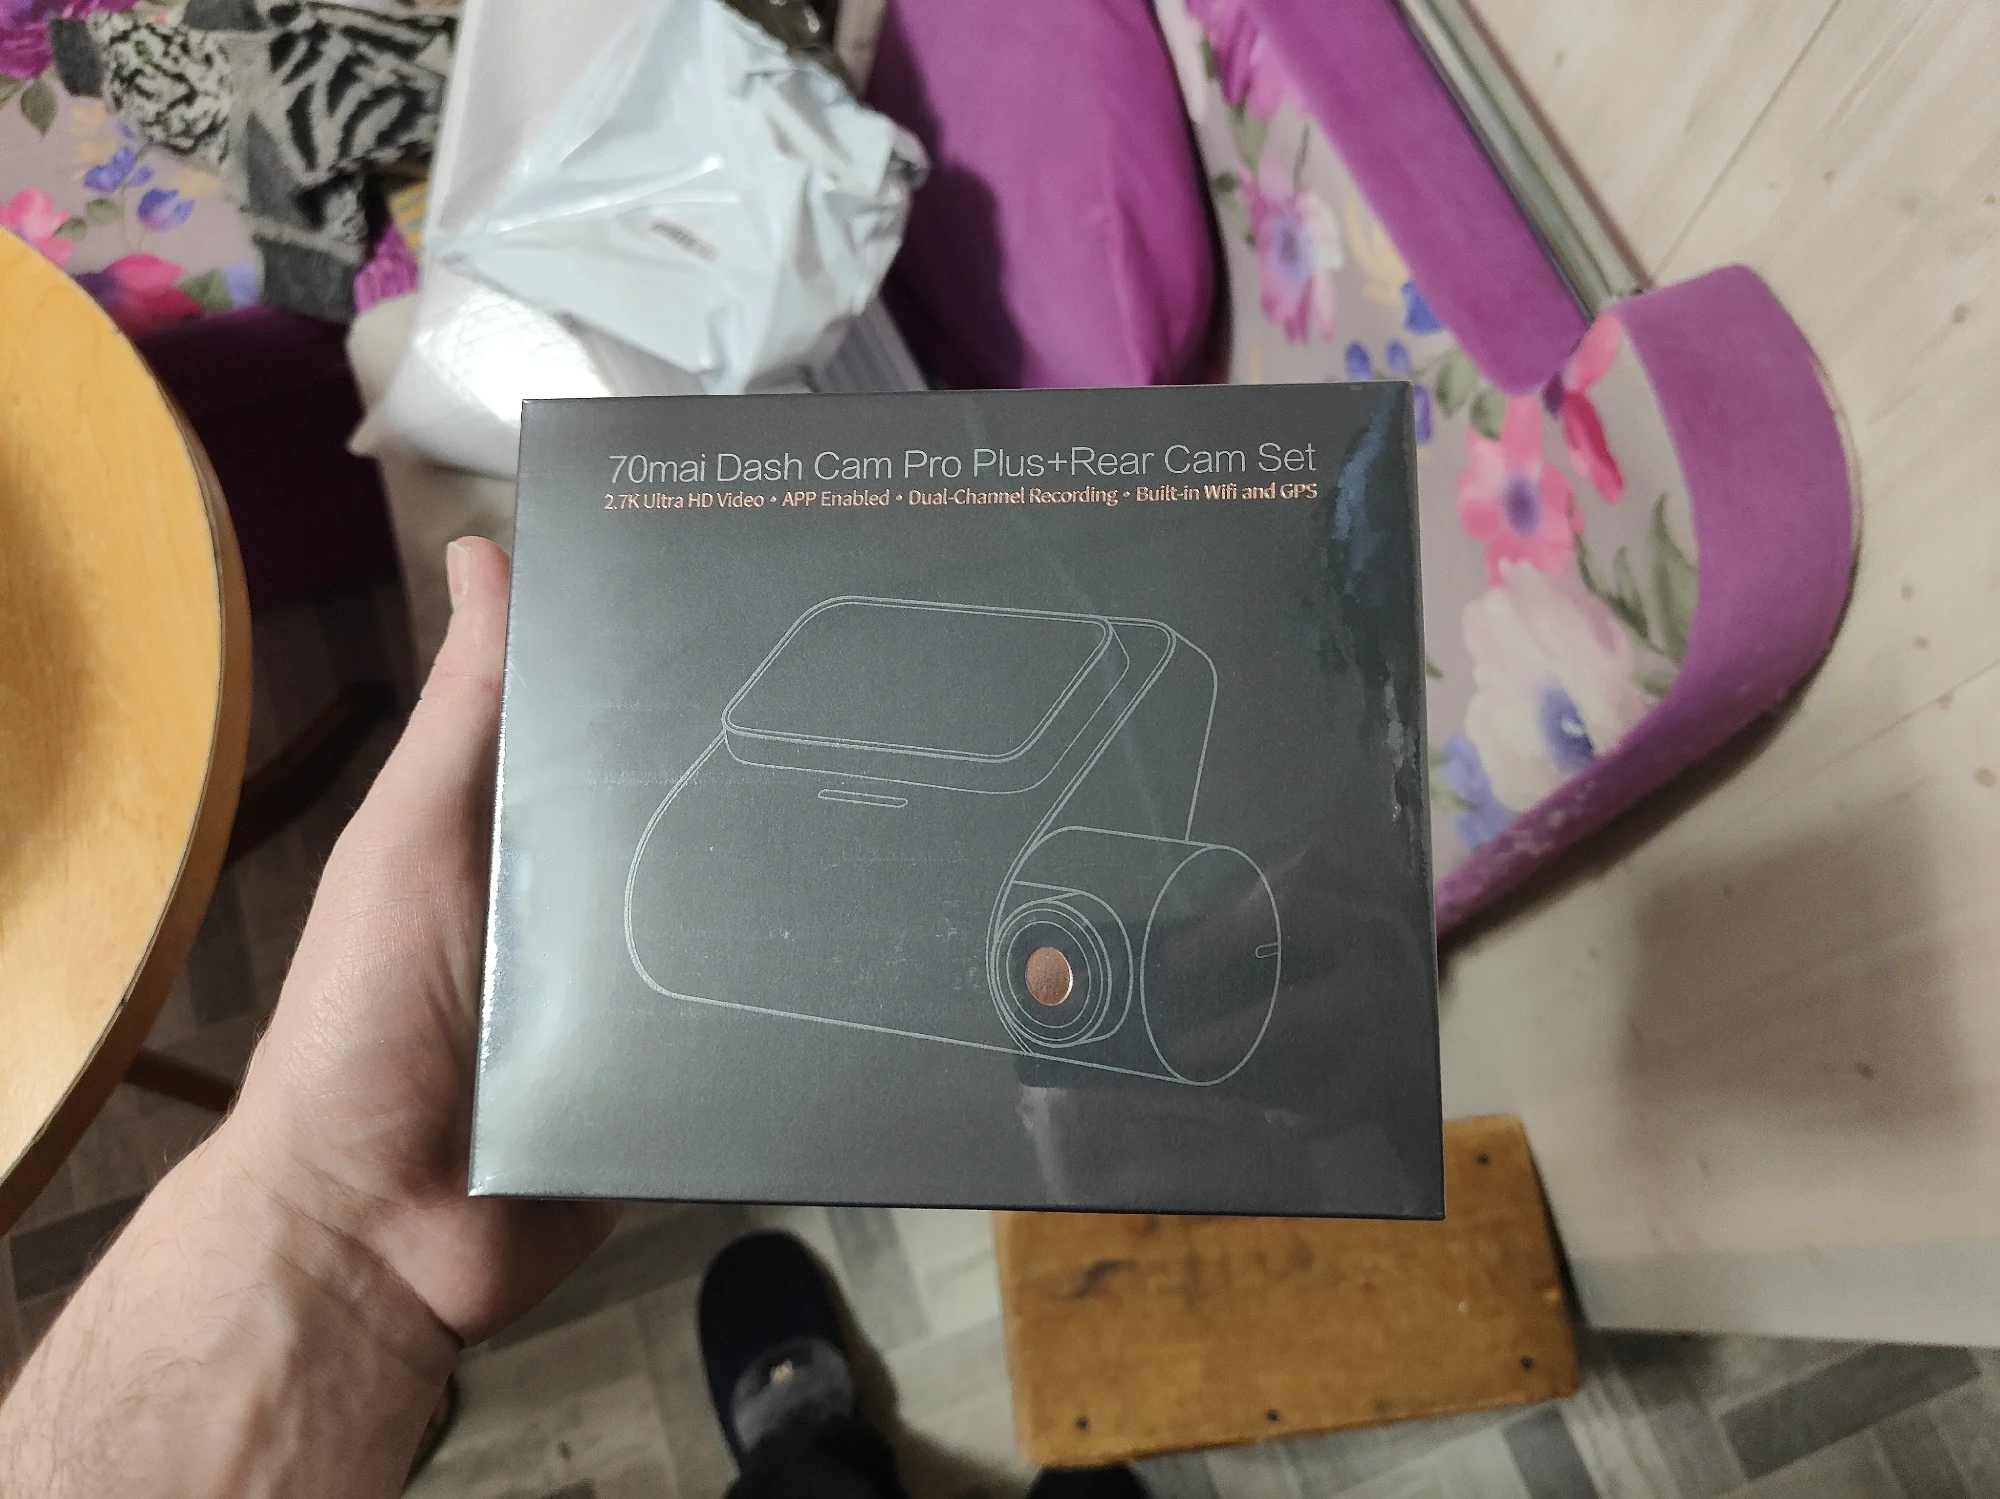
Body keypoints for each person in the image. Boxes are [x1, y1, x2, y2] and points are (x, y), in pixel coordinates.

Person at [0, 539, 1139, 1499]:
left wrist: (328, 1228)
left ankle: (814, 1443)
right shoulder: (729, 803)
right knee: (1094, 1479)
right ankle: (949, 1457)